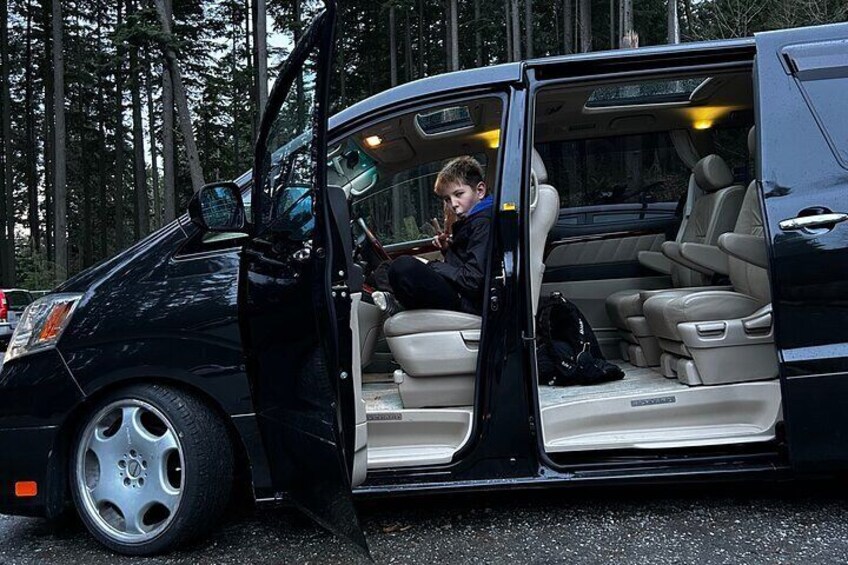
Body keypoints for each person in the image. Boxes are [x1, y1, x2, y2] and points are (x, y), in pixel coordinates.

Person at [373, 156, 493, 316]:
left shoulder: (483, 223)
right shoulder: (472, 221)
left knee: (403, 266)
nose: (453, 204)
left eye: (459, 194)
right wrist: (447, 250)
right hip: (458, 289)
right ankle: (397, 302)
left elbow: (472, 281)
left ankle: (399, 305)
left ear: (480, 190)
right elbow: (466, 260)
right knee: (386, 267)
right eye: (447, 199)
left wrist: (432, 266)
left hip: (466, 300)